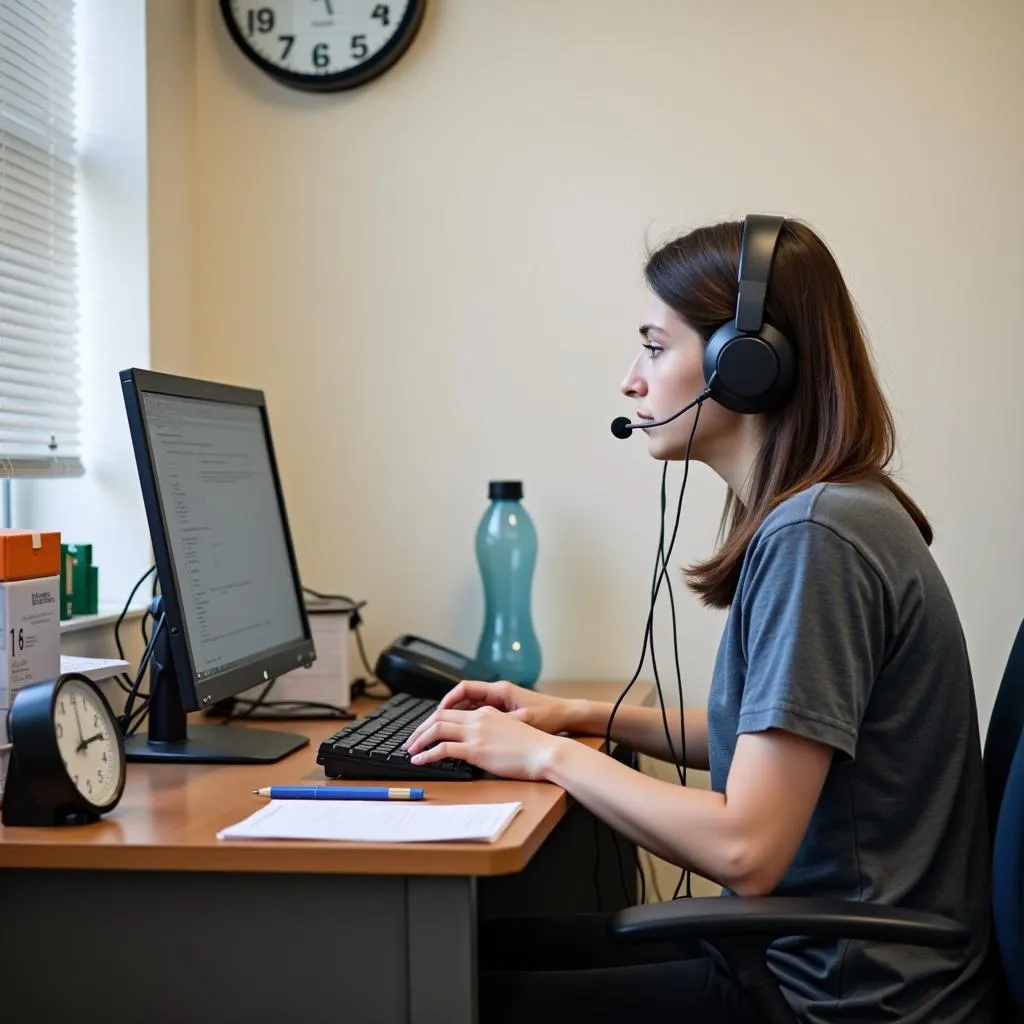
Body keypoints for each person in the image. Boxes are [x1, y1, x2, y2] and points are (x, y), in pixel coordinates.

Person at [404, 216, 995, 1023]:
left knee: (442, 987)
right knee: (471, 951)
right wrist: (577, 716)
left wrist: (546, 756)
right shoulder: (834, 510)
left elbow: (745, 849)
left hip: (846, 997)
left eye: (654, 346)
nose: (631, 380)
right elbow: (776, 745)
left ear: (744, 366)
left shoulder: (818, 536)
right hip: (824, 960)